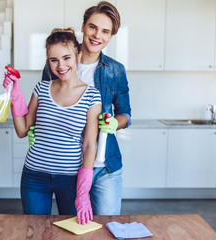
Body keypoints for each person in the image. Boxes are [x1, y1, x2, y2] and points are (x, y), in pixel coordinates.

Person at [30, 1, 131, 215]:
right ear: (83, 26)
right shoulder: (57, 64)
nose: (97, 35)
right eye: (93, 27)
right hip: (69, 165)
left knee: (106, 224)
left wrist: (115, 123)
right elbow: (43, 107)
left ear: (111, 36)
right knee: (71, 225)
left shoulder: (116, 70)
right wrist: (34, 129)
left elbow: (126, 114)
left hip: (105, 165)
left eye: (105, 31)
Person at [3, 28, 102, 224]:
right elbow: (22, 130)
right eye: (53, 59)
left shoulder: (92, 95)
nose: (61, 65)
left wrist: (83, 192)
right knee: (35, 230)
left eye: (66, 58)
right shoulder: (41, 88)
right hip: (34, 176)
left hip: (71, 179)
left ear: (78, 56)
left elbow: (90, 145)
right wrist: (14, 94)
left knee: (73, 232)